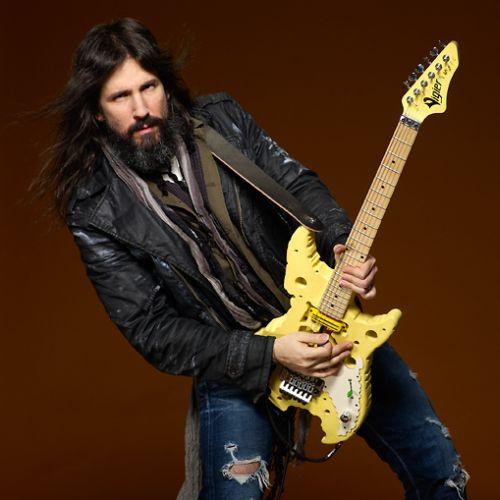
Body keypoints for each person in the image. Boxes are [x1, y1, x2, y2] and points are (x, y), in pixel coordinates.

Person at [34, 18, 469, 499]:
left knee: (441, 473)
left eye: (148, 87)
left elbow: (298, 184)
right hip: (237, 364)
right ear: (96, 112)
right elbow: (152, 330)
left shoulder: (222, 122)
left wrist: (344, 244)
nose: (141, 109)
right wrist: (271, 353)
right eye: (120, 97)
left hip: (332, 325)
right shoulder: (96, 210)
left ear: (166, 85)